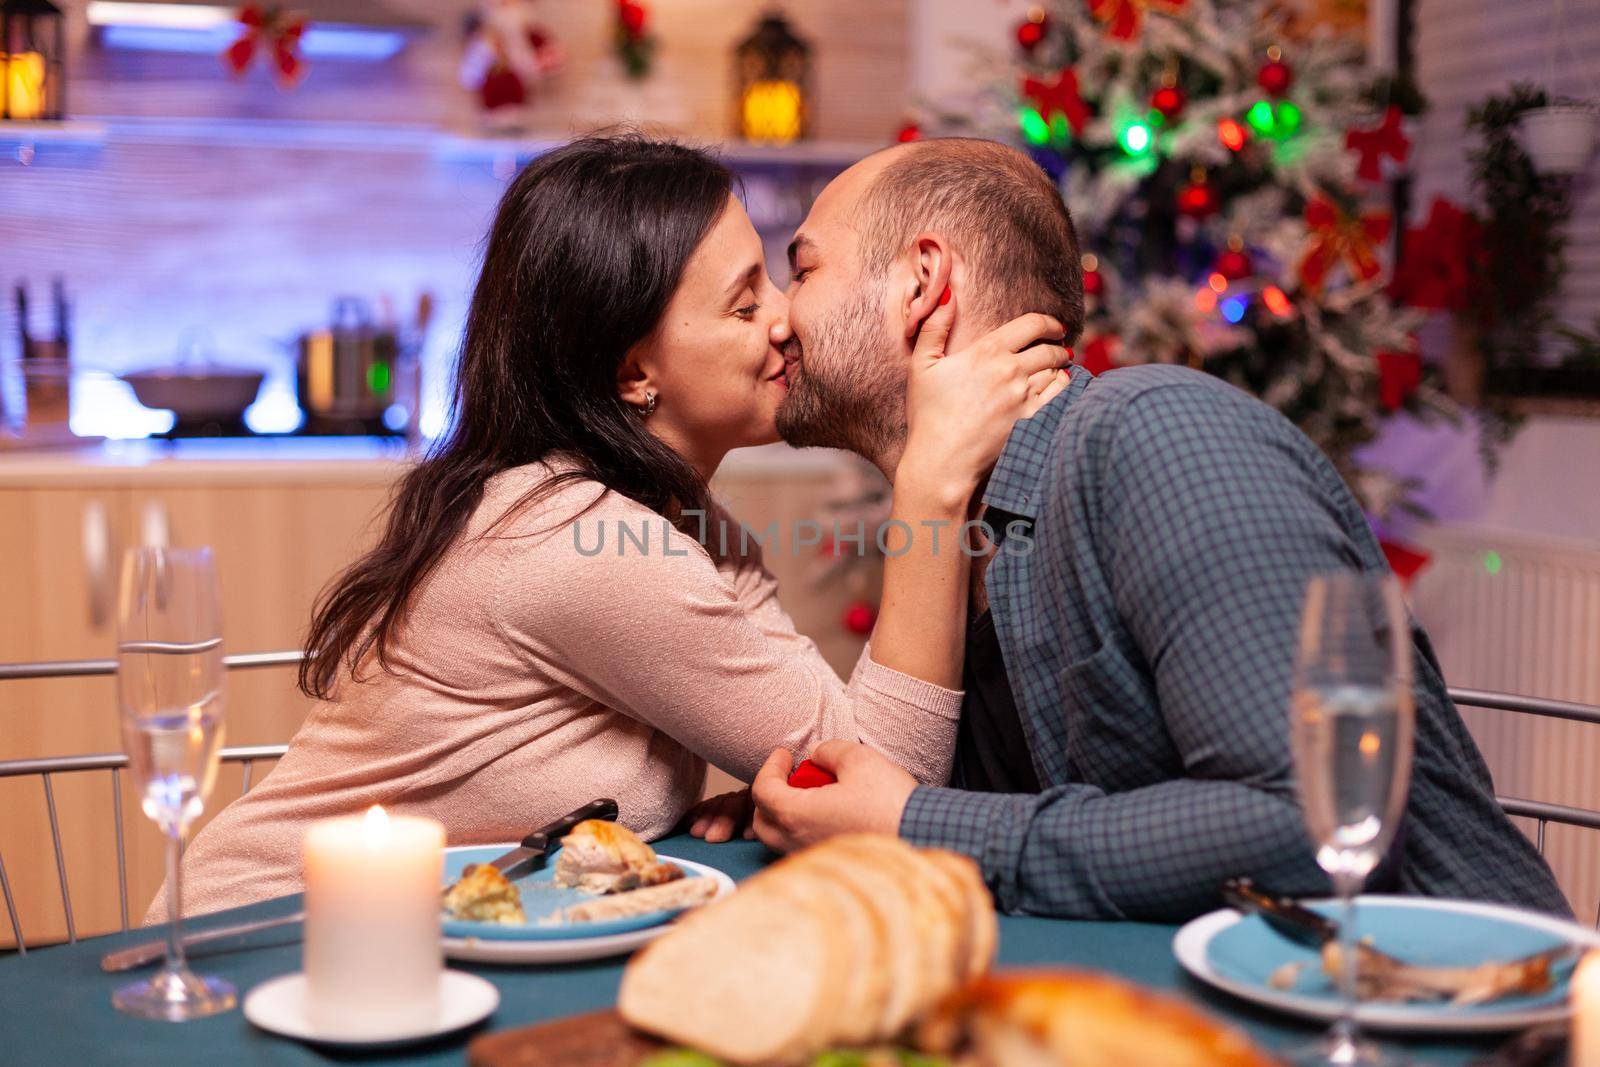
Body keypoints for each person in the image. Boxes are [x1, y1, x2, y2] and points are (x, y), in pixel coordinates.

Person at [151, 134, 1072, 919]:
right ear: (637, 373)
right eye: (747, 303)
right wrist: (929, 488)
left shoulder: (680, 523)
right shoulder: (582, 542)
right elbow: (889, 782)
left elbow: (843, 760)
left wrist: (792, 785)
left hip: (419, 938)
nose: (788, 321)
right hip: (267, 939)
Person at [744, 137, 1570, 922]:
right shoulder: (954, 526)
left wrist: (921, 825)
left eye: (801, 269)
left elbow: (1307, 823)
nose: (775, 319)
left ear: (923, 283)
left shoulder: (1155, 435)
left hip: (1438, 1004)